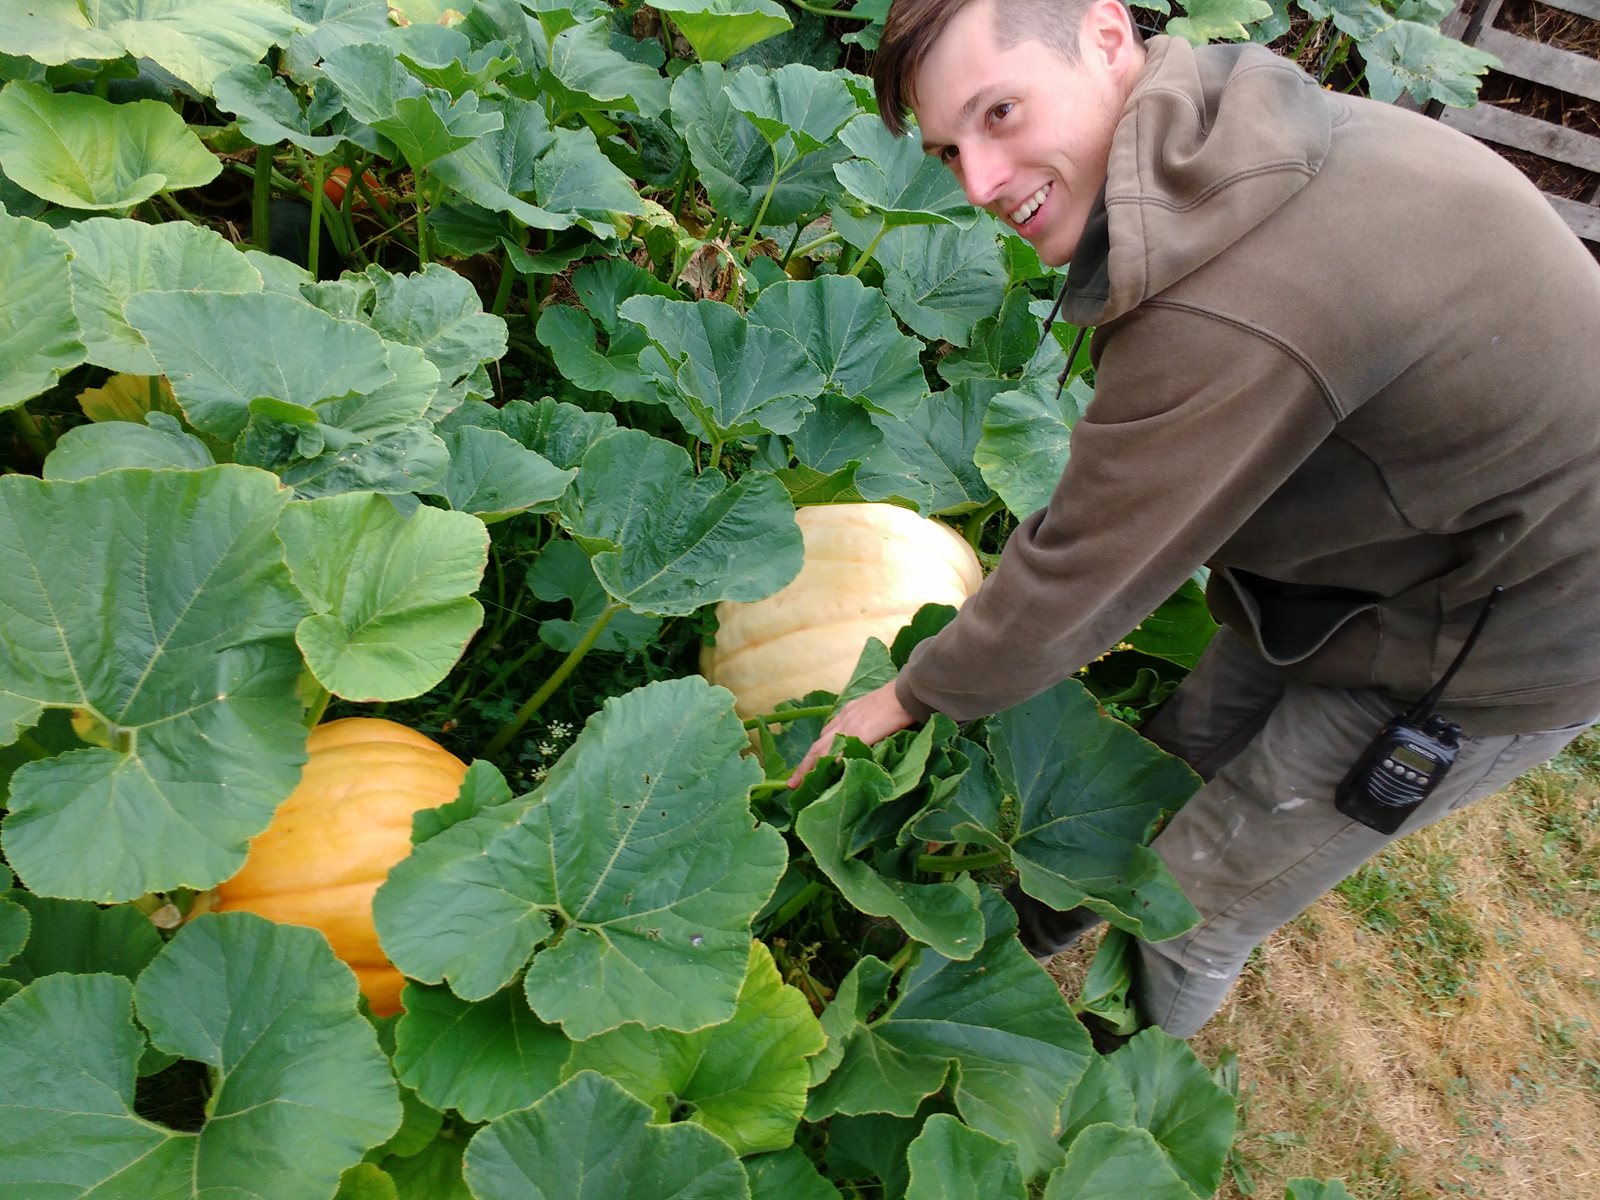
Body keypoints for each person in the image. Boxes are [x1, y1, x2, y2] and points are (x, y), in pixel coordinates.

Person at [786, 0, 1600, 1040]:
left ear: (1107, 36)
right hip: (1382, 553)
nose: (980, 183)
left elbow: (1085, 573)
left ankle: (1103, 1109)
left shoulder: (1233, 305)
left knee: (1190, 901)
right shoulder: (1217, 129)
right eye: (949, 149)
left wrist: (904, 695)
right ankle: (945, 987)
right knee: (1155, 773)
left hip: (1514, 624)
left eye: (1000, 114)